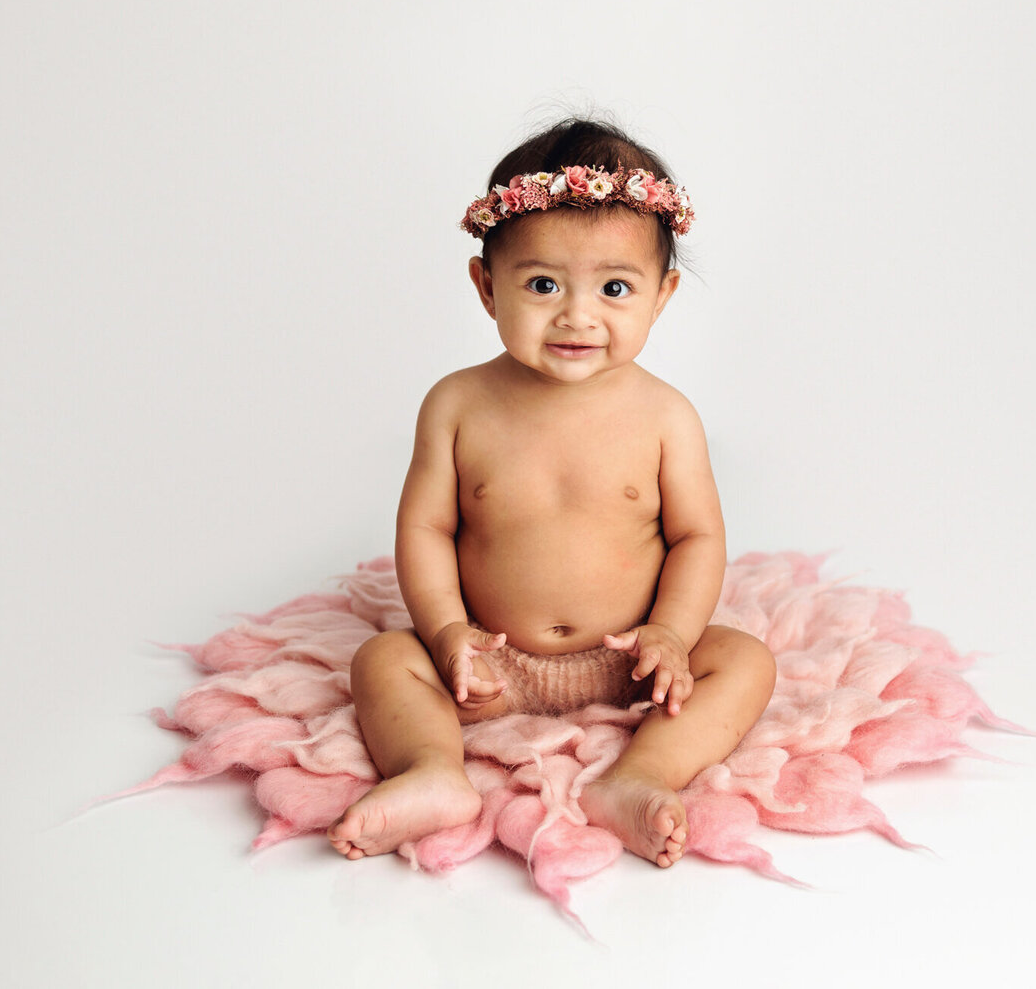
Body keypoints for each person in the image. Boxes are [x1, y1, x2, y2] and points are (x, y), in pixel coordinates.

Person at [327, 119, 777, 868]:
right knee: (381, 659)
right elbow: (427, 528)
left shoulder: (667, 416)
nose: (577, 314)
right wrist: (445, 633)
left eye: (614, 287)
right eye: (542, 284)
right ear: (485, 285)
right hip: (489, 664)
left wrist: (669, 633)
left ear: (661, 295)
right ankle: (435, 770)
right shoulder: (458, 404)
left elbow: (698, 537)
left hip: (630, 658)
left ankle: (639, 775)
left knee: (746, 661)